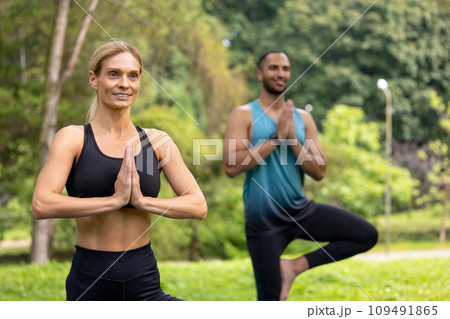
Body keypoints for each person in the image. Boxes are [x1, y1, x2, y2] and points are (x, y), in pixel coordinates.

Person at [32, 40, 207, 301]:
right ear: (94, 79)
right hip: (90, 281)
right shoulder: (74, 139)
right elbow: (42, 204)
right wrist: (113, 201)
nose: (124, 83)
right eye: (114, 74)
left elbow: (197, 206)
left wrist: (141, 201)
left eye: (132, 76)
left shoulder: (156, 142)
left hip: (144, 278)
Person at [223, 50, 378, 301]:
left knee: (365, 234)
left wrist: (293, 139)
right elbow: (231, 166)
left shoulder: (303, 119)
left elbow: (319, 171)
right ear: (260, 74)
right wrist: (275, 139)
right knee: (271, 302)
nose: (281, 73)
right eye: (273, 68)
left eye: (285, 68)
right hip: (264, 221)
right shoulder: (243, 114)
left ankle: (293, 266)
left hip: (300, 211)